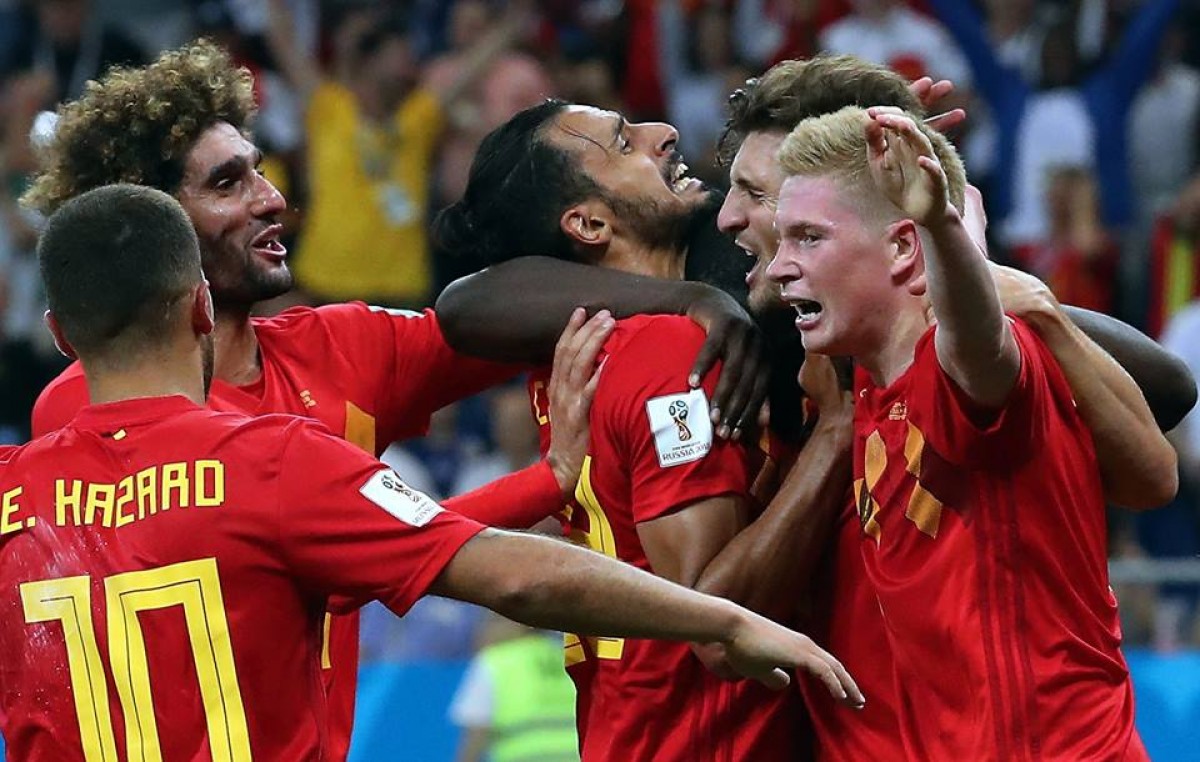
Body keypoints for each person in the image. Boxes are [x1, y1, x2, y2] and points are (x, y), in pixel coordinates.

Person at [22, 39, 769, 761]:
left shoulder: (345, 349)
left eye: (259, 171)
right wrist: (544, 483)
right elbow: (345, 560)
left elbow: (477, 306)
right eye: (227, 184)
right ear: (153, 226)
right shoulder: (90, 410)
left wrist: (693, 299)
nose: (272, 199)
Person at [434, 97, 860, 760]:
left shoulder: (568, 358)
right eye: (623, 143)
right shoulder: (671, 354)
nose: (664, 132)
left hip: (626, 733)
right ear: (589, 223)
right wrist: (835, 434)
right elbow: (720, 637)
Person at [767, 105, 1158, 758]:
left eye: (808, 238)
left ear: (902, 248)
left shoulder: (965, 371)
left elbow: (977, 342)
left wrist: (942, 226)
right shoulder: (870, 381)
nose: (780, 265)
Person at [449, 614, 579, 762]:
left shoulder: (493, 662)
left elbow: (476, 734)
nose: (484, 630)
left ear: (521, 624)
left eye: (495, 621)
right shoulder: (571, 657)